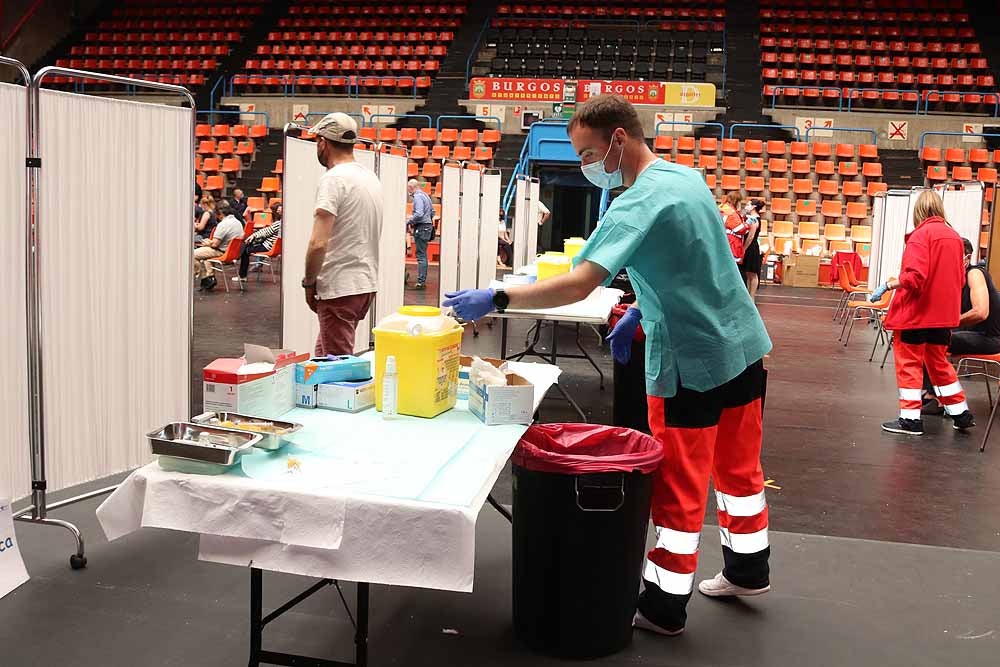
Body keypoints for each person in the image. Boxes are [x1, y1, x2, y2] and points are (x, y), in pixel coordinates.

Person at [443, 95, 773, 636]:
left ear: (618, 139)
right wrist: (642, 306)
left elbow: (579, 282)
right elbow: (692, 264)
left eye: (587, 153)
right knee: (740, 471)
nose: (585, 166)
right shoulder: (687, 179)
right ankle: (748, 568)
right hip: (742, 348)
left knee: (679, 489)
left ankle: (664, 606)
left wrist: (498, 297)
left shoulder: (633, 203)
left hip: (690, 362)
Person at [870, 190, 975, 435]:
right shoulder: (954, 238)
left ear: (918, 211)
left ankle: (910, 420)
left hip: (916, 316)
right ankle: (960, 413)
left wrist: (888, 285)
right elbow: (960, 280)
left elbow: (915, 277)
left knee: (909, 365)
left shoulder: (920, 236)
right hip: (942, 318)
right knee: (939, 364)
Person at [301, 112, 383, 357]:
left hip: (340, 287)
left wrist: (308, 283)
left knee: (338, 370)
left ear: (323, 142)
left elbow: (318, 243)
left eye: (317, 141)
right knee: (323, 355)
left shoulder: (334, 179)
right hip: (363, 284)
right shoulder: (369, 177)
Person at [921, 237, 1000, 414]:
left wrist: (949, 323)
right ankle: (933, 394)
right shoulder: (955, 279)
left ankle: (937, 398)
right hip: (971, 334)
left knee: (931, 339)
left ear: (967, 258)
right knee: (922, 335)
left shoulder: (974, 274)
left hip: (990, 339)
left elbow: (981, 312)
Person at [194, 200, 244, 291]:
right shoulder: (238, 222)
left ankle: (204, 278)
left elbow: (214, 245)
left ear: (220, 213)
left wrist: (208, 243)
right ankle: (210, 277)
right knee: (205, 256)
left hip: (222, 252)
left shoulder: (223, 224)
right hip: (233, 253)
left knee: (192, 254)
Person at [234, 203, 281, 282]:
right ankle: (238, 256)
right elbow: (265, 231)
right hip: (270, 246)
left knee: (245, 250)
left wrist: (252, 236)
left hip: (268, 247)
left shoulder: (278, 223)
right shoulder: (282, 223)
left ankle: (242, 276)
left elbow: (266, 232)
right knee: (246, 245)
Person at [406, 178, 434, 290]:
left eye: (409, 189)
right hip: (427, 226)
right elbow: (432, 212)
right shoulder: (426, 196)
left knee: (421, 255)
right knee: (423, 254)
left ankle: (421, 281)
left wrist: (408, 221)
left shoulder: (417, 197)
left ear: (411, 187)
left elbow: (419, 213)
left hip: (421, 227)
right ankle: (422, 280)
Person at [742, 199, 765, 301]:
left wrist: (744, 249)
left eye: (748, 205)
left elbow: (750, 237)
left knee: (753, 273)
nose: (746, 206)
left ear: (754, 207)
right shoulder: (749, 218)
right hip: (749, 247)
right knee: (748, 273)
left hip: (752, 247)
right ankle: (748, 295)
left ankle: (752, 296)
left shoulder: (754, 219)